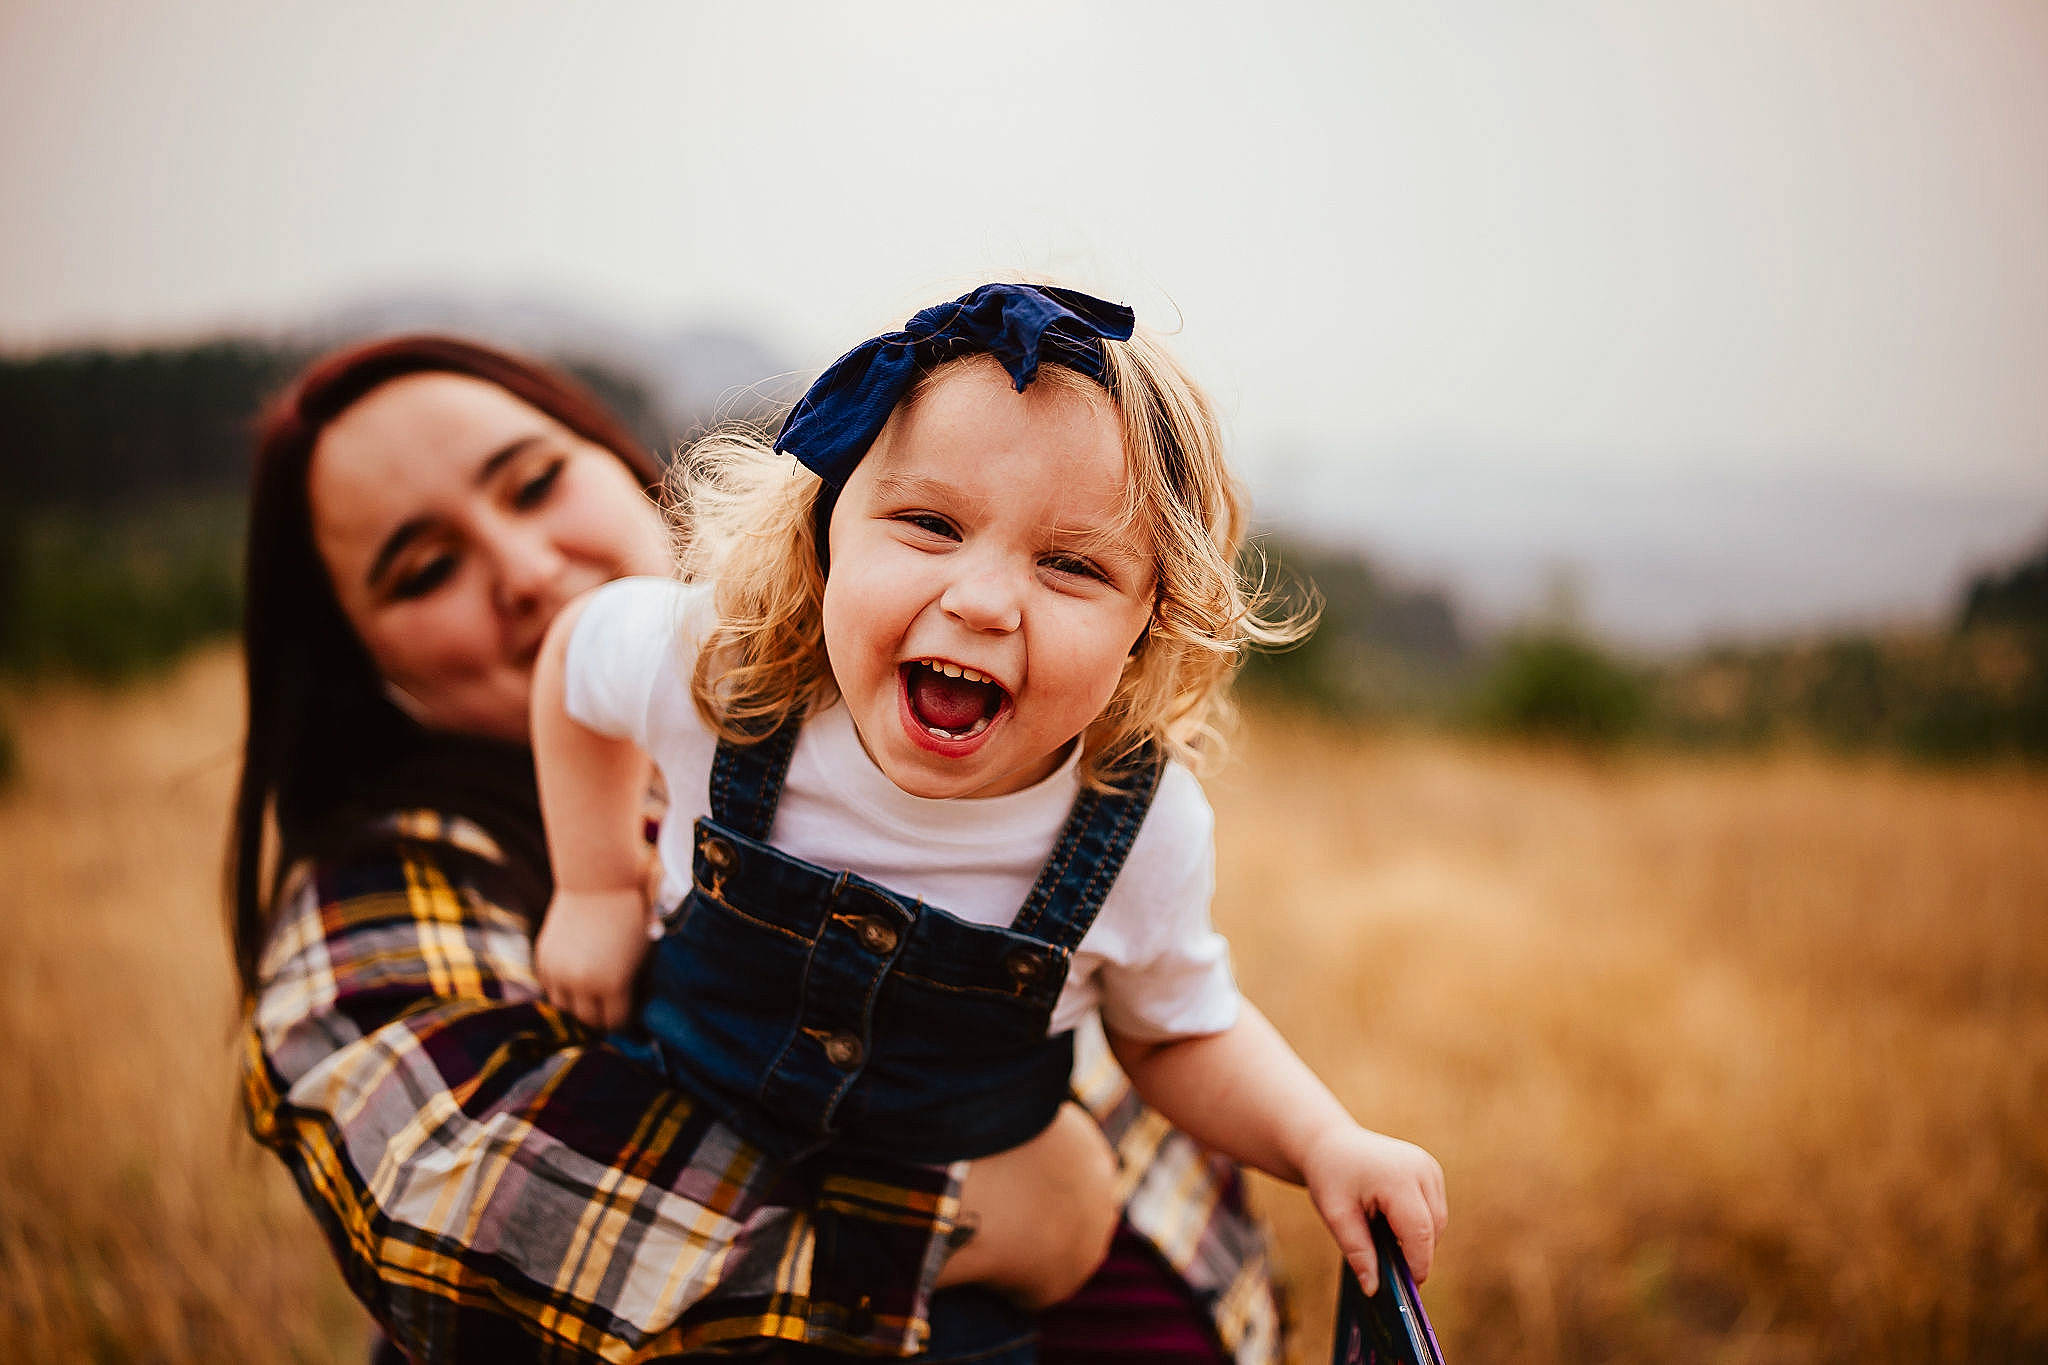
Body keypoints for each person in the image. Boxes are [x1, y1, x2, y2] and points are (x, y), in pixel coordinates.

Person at [231, 333, 1282, 1363]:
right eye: (423, 571)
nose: (521, 566)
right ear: (357, 661)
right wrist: (984, 1215)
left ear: (613, 451)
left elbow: (1170, 1026)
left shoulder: (956, 746)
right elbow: (468, 1232)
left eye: (533, 483)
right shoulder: (378, 900)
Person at [528, 285, 1448, 1328]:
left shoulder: (1134, 827)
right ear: (828, 533)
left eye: (1070, 565)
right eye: (927, 524)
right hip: (672, 1142)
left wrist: (1324, 1140)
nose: (981, 598)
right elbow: (573, 655)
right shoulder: (720, 672)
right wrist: (594, 883)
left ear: (1148, 623)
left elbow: (1177, 1034)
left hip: (944, 1280)